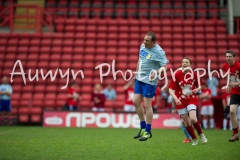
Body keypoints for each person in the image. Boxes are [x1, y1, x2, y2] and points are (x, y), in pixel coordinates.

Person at [133, 31, 169, 141]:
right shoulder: (142, 47)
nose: (144, 42)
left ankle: (148, 131)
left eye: (147, 41)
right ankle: (143, 127)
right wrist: (136, 72)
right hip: (140, 78)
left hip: (150, 81)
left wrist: (156, 73)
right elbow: (140, 61)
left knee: (147, 105)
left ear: (153, 42)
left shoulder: (159, 52)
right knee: (136, 102)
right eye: (144, 40)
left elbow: (165, 68)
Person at [169, 57, 207, 145]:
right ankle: (194, 139)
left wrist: (197, 89)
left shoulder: (194, 74)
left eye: (186, 62)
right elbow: (170, 89)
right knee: (186, 122)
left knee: (193, 118)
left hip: (191, 99)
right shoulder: (177, 74)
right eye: (183, 62)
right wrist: (175, 98)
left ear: (190, 65)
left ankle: (201, 134)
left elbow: (200, 86)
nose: (184, 64)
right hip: (180, 100)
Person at [222, 50, 240, 142]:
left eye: (230, 56)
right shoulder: (225, 66)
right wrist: (228, 85)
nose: (228, 58)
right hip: (235, 93)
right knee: (232, 111)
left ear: (234, 57)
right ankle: (235, 134)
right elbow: (228, 77)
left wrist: (235, 83)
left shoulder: (239, 66)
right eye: (226, 56)